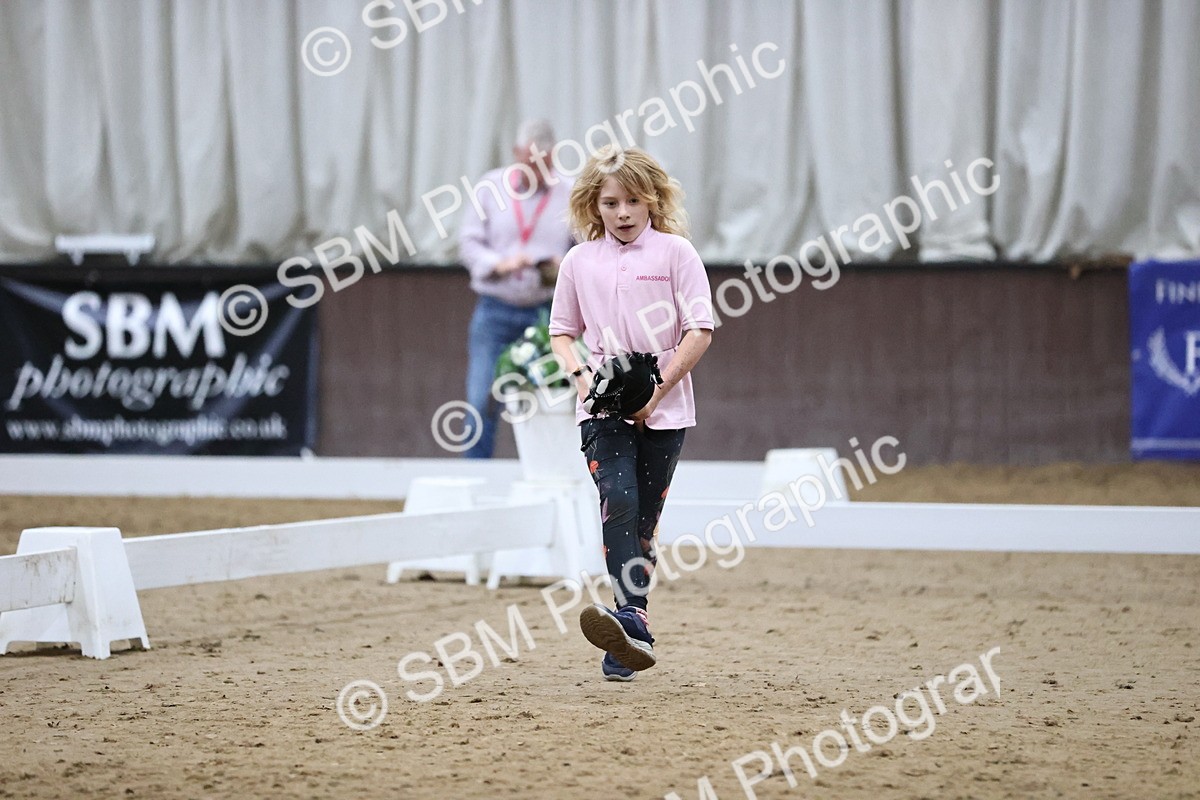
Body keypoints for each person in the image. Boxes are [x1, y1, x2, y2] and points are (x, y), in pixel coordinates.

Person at [548, 146, 714, 681]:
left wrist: (657, 393)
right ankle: (631, 622)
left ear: (652, 201)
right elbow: (562, 333)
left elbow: (700, 329)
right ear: (593, 206)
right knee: (617, 497)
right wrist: (582, 382)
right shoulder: (578, 261)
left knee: (644, 521)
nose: (622, 212)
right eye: (611, 202)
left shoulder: (676, 254)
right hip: (601, 407)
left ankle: (628, 630)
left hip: (666, 406)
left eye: (633, 201)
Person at [459, 119, 575, 459]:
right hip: (495, 308)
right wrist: (499, 263)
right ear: (517, 154)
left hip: (546, 314)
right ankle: (475, 476)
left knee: (553, 397)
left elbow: (584, 248)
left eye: (546, 164)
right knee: (481, 399)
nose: (539, 171)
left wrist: (562, 266)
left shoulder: (568, 194)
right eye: (531, 161)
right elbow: (467, 243)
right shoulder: (489, 188)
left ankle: (553, 470)